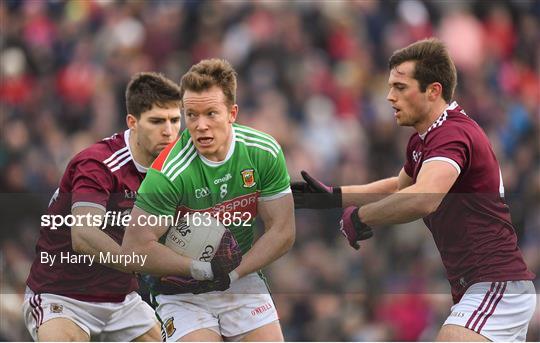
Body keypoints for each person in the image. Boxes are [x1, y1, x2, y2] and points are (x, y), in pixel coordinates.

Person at [292, 38, 536, 342]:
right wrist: (336, 196)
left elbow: (423, 198)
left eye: (400, 87)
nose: (389, 97)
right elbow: (400, 186)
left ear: (433, 91)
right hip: (479, 288)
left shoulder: (452, 133)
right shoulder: (424, 140)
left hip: (495, 284)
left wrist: (362, 217)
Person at [121, 58, 295, 342]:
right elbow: (135, 246)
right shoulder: (169, 171)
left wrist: (234, 274)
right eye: (191, 115)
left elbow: (283, 231)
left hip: (241, 278)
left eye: (211, 114)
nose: (200, 126)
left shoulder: (263, 152)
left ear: (232, 113)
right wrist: (197, 268)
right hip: (182, 294)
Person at [23, 72, 182, 341]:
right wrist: (143, 262)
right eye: (157, 121)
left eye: (175, 120)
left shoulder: (175, 167)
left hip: (122, 302)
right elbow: (84, 236)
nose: (168, 131)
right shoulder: (98, 164)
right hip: (62, 296)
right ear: (133, 122)